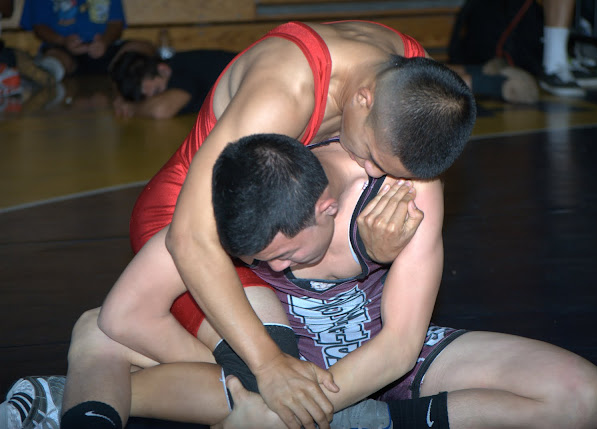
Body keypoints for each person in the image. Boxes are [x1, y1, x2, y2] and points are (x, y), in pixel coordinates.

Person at [4, 133, 597, 429]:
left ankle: (86, 392)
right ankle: (83, 392)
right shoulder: (226, 210)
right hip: (273, 356)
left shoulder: (398, 197)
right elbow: (121, 316)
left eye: (288, 256)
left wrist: (294, 404)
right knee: (100, 333)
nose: (276, 270)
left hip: (385, 353)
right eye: (259, 259)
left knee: (581, 396)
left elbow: (400, 344)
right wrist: (261, 377)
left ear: (326, 208)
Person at [106, 19, 476, 429]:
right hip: (190, 219)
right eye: (372, 156)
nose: (373, 172)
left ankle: (115, 357)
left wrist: (382, 253)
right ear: (363, 99)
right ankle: (99, 371)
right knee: (269, 373)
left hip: (274, 229)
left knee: (289, 382)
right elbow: (190, 237)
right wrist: (267, 364)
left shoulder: (415, 79)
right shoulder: (283, 93)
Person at [19, 0, 155, 81]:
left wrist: (104, 41)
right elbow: (39, 27)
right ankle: (47, 76)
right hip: (63, 49)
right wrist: (63, 41)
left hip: (106, 49)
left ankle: (122, 75)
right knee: (53, 59)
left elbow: (116, 24)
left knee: (144, 48)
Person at [109, 49, 237, 119]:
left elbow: (161, 110)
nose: (155, 100)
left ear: (163, 70)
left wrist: (132, 108)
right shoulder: (173, 67)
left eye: (157, 92)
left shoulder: (181, 70)